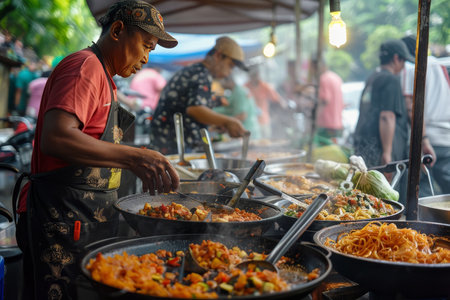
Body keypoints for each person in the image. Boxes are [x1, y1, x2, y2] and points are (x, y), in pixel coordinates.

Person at [14, 1, 180, 299]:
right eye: (145, 45)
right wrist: (135, 156)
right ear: (117, 30)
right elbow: (58, 137)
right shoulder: (85, 67)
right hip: (61, 218)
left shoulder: (105, 77)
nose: (146, 57)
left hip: (82, 217)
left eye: (151, 50)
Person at [149, 36, 248, 154]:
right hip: (173, 146)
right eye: (230, 66)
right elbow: (195, 109)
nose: (230, 72)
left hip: (170, 143)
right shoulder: (201, 74)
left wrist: (215, 124)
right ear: (217, 55)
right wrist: (228, 121)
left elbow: (188, 110)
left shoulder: (195, 71)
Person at [400, 35, 450, 197]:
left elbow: (411, 108)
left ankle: (423, 223)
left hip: (427, 140)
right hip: (446, 139)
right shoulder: (440, 65)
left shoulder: (411, 68)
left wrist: (423, 139)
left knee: (423, 191)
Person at [214, 74, 261, 139]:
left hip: (246, 132)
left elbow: (242, 115)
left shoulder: (239, 92)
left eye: (220, 81)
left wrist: (225, 124)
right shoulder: (236, 91)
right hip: (247, 132)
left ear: (229, 81)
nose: (220, 84)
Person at [245, 66, 285, 139]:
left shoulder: (265, 86)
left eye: (255, 75)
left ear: (258, 75)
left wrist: (278, 116)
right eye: (251, 75)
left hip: (263, 121)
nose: (253, 77)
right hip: (250, 123)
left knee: (265, 143)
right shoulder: (245, 87)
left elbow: (278, 100)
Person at [314, 59, 344, 141]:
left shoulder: (323, 78)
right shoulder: (336, 77)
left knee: (326, 150)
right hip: (338, 122)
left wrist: (315, 119)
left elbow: (325, 100)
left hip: (326, 123)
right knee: (334, 149)